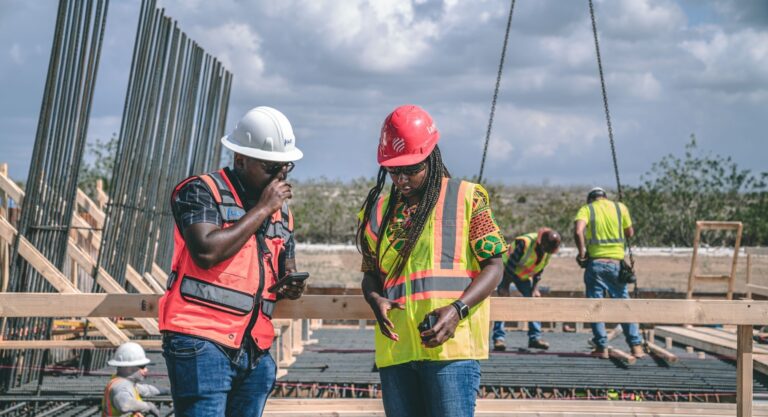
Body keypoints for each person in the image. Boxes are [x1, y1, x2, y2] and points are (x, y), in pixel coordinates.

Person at [357, 105, 507, 417]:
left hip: (450, 350)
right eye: (393, 171)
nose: (402, 179)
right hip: (396, 350)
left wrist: (457, 310)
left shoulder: (467, 198)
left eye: (411, 169)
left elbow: (494, 266)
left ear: (431, 157)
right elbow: (370, 273)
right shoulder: (377, 211)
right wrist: (374, 298)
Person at [159, 106, 306, 416]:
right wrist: (262, 209)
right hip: (202, 339)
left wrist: (289, 284)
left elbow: (284, 266)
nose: (280, 176)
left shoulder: (282, 213)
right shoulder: (201, 191)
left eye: (286, 167)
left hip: (253, 347)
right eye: (271, 167)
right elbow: (206, 252)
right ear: (240, 160)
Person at [573, 187, 644, 358]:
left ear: (590, 199)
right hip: (616, 264)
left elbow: (578, 231)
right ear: (605, 197)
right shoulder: (620, 207)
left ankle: (602, 347)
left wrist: (582, 253)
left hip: (596, 264)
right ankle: (636, 346)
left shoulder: (587, 209)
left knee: (595, 305)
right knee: (623, 304)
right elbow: (630, 232)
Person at [491, 228, 561, 352]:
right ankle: (499, 338)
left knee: (533, 301)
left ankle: (535, 338)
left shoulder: (548, 250)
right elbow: (511, 264)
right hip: (506, 270)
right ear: (541, 243)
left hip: (522, 275)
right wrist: (505, 287)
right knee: (503, 302)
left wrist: (535, 288)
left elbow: (539, 269)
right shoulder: (525, 243)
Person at [102, 342, 167, 417]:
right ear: (128, 368)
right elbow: (124, 405)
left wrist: (169, 391)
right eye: (142, 366)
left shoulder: (125, 382)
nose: (146, 370)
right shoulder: (120, 386)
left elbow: (147, 390)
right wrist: (148, 406)